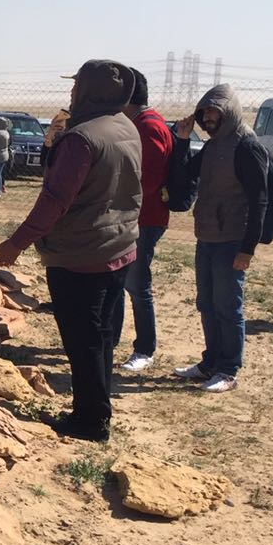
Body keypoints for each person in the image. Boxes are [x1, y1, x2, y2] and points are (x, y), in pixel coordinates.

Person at [0, 59, 142, 443]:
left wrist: (16, 243)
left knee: (83, 340)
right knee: (102, 335)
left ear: (91, 91)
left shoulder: (81, 139)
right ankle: (97, 408)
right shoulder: (125, 125)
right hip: (120, 247)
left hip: (81, 256)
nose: (71, 93)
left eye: (77, 87)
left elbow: (55, 201)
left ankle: (90, 422)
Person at [170, 84, 269, 393]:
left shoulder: (246, 146)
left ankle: (228, 370)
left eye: (214, 111)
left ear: (229, 112)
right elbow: (184, 176)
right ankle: (210, 363)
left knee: (228, 307)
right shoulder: (212, 147)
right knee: (207, 303)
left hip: (232, 241)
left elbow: (259, 201)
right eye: (205, 112)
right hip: (207, 237)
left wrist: (247, 249)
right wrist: (182, 141)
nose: (208, 117)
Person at [114, 70, 173, 374]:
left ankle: (144, 349)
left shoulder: (148, 126)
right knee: (120, 279)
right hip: (132, 216)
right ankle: (110, 338)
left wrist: (115, 197)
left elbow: (148, 179)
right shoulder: (139, 123)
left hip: (144, 219)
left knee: (137, 285)